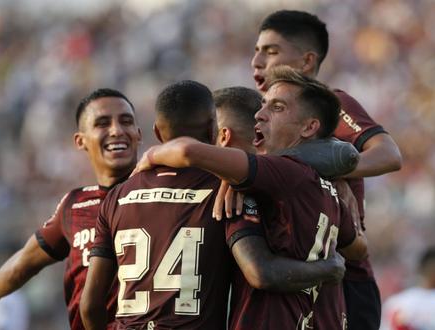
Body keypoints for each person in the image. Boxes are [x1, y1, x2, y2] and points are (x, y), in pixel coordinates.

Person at [81, 80, 346, 330]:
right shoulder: (225, 190)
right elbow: (259, 271)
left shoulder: (118, 196)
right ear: (213, 130)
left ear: (157, 132)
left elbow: (90, 305)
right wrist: (329, 269)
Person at [250, 9, 403, 330]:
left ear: (306, 62)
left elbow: (388, 154)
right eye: (256, 51)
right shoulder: (261, 116)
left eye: (271, 51)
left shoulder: (332, 104)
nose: (257, 61)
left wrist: (336, 172)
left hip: (344, 278)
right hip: (290, 272)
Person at [0, 88, 142, 330]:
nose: (116, 130)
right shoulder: (76, 205)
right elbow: (27, 259)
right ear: (80, 140)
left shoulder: (167, 191)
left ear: (139, 133)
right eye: (102, 123)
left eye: (126, 121)